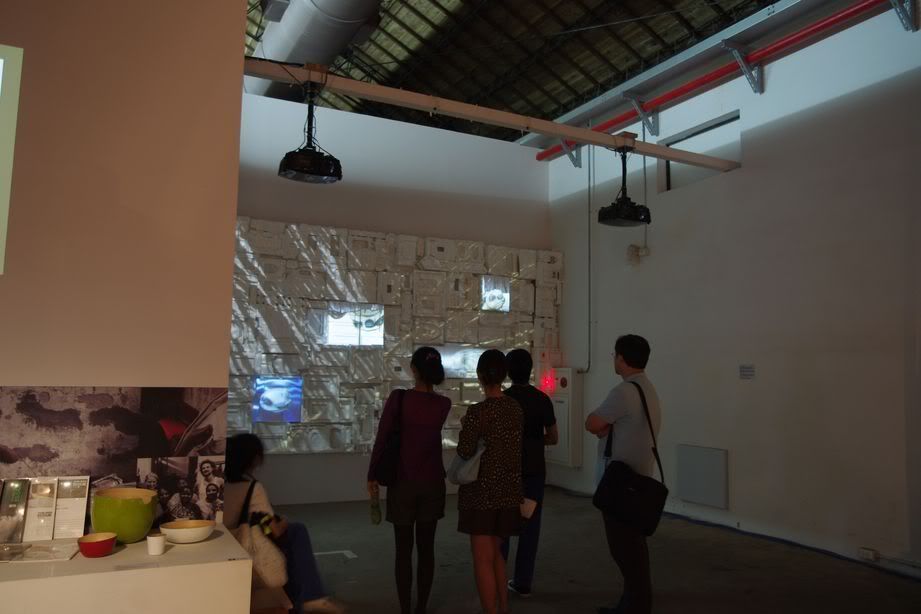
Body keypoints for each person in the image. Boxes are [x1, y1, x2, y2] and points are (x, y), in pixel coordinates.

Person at [367, 347, 451, 614]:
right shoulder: (443, 405)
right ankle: (421, 608)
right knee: (427, 550)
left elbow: (382, 437)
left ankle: (406, 609)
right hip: (433, 483)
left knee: (403, 551)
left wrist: (372, 474)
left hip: (402, 483)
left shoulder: (399, 399)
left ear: (414, 369)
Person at [584, 335, 662, 614]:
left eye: (615, 355)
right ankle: (633, 603)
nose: (613, 360)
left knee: (624, 549)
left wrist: (604, 426)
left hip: (621, 484)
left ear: (622, 358)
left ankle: (634, 606)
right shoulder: (647, 388)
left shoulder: (624, 392)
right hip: (639, 479)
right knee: (634, 548)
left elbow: (592, 423)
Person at [224, 433, 344, 614]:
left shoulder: (221, 486)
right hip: (247, 548)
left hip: (226, 545)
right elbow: (274, 531)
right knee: (297, 533)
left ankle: (308, 597)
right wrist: (283, 521)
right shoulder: (253, 488)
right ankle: (310, 597)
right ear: (253, 459)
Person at [457, 349, 523, 614]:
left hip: (482, 495)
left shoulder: (477, 412)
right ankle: (503, 607)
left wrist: (466, 425)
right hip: (508, 492)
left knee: (482, 559)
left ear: (480, 376)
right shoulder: (515, 408)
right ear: (504, 375)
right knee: (496, 554)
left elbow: (465, 451)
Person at [500, 349, 558, 598]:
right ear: (530, 369)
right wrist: (534, 441)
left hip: (506, 471)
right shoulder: (542, 399)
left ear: (508, 372)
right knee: (530, 528)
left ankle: (496, 580)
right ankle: (523, 582)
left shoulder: (503, 400)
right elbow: (553, 437)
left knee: (502, 527)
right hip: (534, 471)